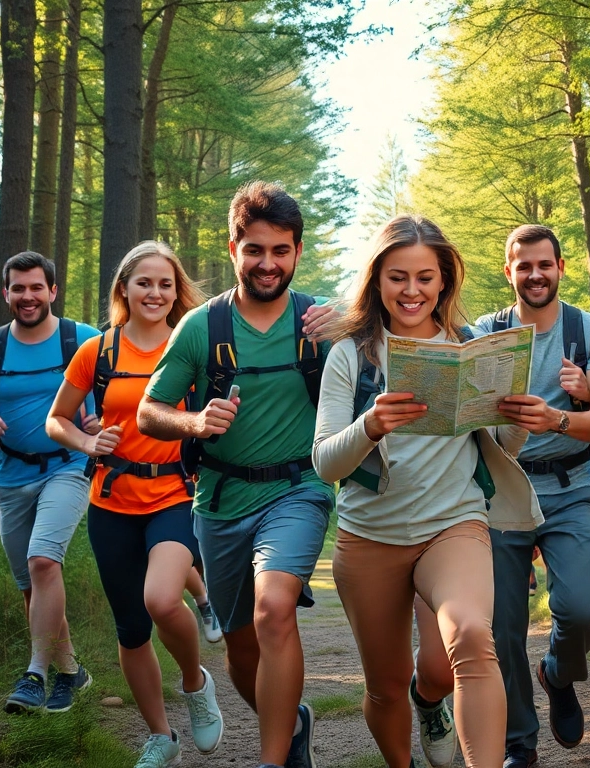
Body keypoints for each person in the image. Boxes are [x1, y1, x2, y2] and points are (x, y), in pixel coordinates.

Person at [311, 214, 543, 768]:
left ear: (444, 281)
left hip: (454, 524)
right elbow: (324, 464)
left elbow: (504, 447)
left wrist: (519, 418)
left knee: (468, 636)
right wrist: (370, 424)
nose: (411, 291)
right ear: (377, 281)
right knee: (386, 687)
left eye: (424, 277)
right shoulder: (352, 356)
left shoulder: (475, 349)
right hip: (370, 536)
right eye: (397, 277)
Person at [137, 182, 337, 768]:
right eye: (255, 250)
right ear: (234, 249)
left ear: (297, 251)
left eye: (280, 250)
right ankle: (292, 723)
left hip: (299, 489)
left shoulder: (322, 322)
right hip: (220, 499)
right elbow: (151, 411)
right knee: (242, 652)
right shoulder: (201, 326)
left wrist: (352, 327)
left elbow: (380, 372)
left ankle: (273, 761)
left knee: (273, 609)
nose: (267, 263)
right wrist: (196, 422)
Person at [46, 241, 224, 767]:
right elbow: (57, 418)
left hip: (175, 493)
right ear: (124, 288)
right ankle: (160, 738)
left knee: (163, 599)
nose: (155, 292)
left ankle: (195, 684)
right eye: (144, 282)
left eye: (166, 283)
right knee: (131, 628)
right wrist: (84, 442)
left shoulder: (192, 345)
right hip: (111, 501)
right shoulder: (97, 352)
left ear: (177, 292)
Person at [472, 225, 590, 768]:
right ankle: (520, 742)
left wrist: (559, 417)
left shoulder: (588, 330)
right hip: (498, 493)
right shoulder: (483, 333)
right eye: (523, 265)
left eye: (544, 265)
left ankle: (558, 673)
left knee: (583, 609)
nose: (534, 275)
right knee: (502, 627)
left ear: (560, 267)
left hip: (570, 487)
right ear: (508, 270)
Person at [0, 251, 100, 714]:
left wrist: (101, 422)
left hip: (69, 465)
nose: (28, 296)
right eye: (19, 288)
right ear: (6, 294)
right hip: (11, 475)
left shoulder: (84, 340)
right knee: (33, 584)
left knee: (42, 560)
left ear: (52, 291)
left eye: (37, 287)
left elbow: (132, 391)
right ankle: (73, 673)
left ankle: (34, 673)